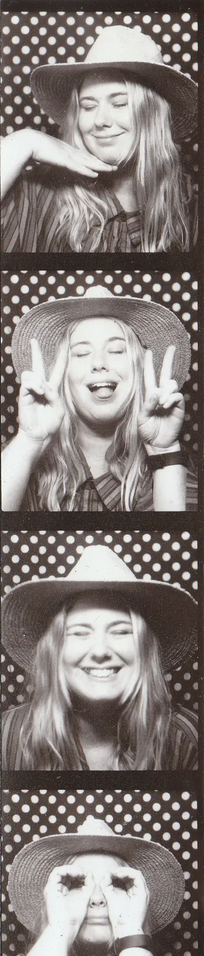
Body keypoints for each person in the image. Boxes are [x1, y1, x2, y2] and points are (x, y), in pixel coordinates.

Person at [1, 24, 198, 253]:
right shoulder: (36, 194)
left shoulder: (187, 202)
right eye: (88, 106)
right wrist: (22, 142)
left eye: (119, 103)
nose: (100, 120)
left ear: (151, 115)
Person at [2, 544, 198, 771]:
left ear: (145, 650)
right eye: (80, 632)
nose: (100, 650)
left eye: (121, 631)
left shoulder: (188, 739)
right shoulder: (7, 736)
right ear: (54, 651)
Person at [2, 286, 197, 512]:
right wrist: (30, 440)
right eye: (82, 353)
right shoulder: (14, 459)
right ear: (61, 374)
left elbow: (176, 544)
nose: (99, 362)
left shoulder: (175, 469)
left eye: (116, 350)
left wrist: (164, 453)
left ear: (140, 371)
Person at [2, 815, 198, 956]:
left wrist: (129, 928)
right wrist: (60, 926)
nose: (97, 898)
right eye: (77, 884)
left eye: (116, 883)